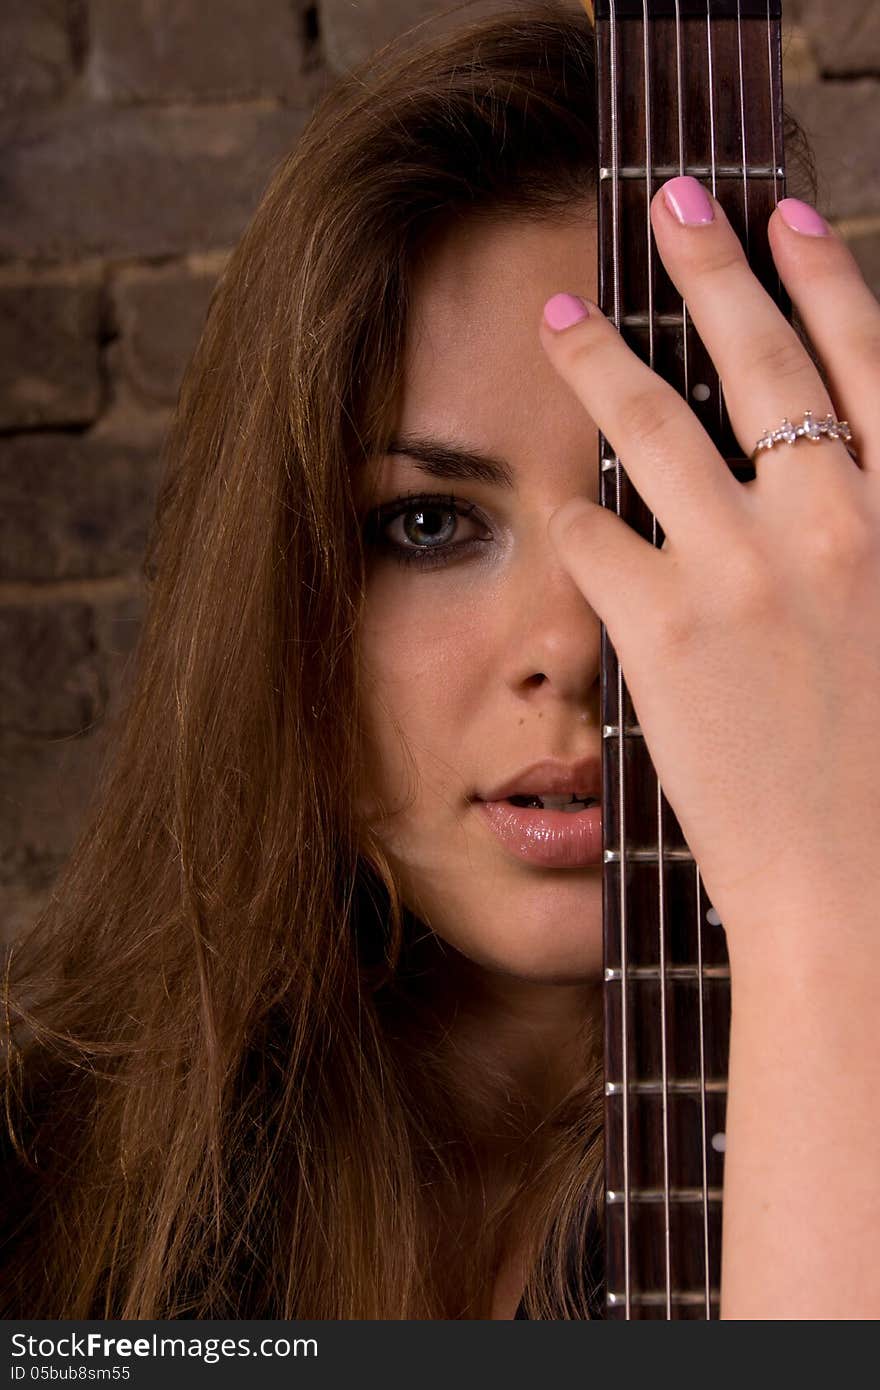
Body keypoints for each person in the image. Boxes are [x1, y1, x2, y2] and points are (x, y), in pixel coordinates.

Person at [2, 1, 879, 1320]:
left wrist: (828, 925)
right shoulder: (38, 1162)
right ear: (287, 590)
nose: (575, 643)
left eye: (665, 509)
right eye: (428, 524)